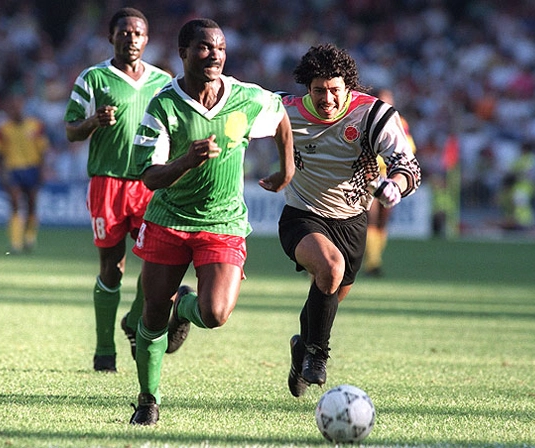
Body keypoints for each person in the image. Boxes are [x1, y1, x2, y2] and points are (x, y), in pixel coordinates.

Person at [127, 18, 294, 425]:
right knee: (151, 316)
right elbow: (147, 175)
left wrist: (286, 169)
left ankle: (183, 309)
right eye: (203, 47)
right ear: (183, 53)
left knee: (216, 314)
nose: (214, 55)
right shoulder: (163, 105)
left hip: (222, 222)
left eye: (219, 47)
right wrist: (187, 160)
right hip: (168, 219)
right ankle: (149, 400)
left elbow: (281, 117)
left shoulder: (245, 97)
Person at [278, 44, 421, 397]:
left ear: (348, 87)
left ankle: (302, 349)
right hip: (302, 214)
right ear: (306, 88)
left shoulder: (374, 115)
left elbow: (408, 165)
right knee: (329, 268)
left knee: (328, 293)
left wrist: (395, 186)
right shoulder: (283, 110)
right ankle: (317, 354)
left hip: (352, 221)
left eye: (334, 90)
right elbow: (235, 120)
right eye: (318, 90)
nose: (326, 98)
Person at [64, 7, 172, 373]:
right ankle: (104, 350)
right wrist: (93, 121)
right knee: (113, 267)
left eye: (137, 33)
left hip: (149, 182)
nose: (131, 38)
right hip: (107, 182)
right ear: (111, 37)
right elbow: (70, 129)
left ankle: (134, 318)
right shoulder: (93, 78)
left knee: (158, 261)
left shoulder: (163, 81)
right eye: (123, 32)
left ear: (147, 38)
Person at [363, 88, 417, 276]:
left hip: (390, 177)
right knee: (371, 218)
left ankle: (375, 257)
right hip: (368, 177)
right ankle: (372, 262)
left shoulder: (399, 122)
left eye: (388, 101)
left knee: (383, 222)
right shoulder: (364, 120)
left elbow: (408, 148)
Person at [0, 90, 49, 254]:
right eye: (12, 106)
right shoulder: (3, 129)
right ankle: (15, 244)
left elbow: (43, 149)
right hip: (12, 168)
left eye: (18, 105)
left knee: (31, 205)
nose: (16, 109)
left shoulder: (35, 125)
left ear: (23, 106)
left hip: (32, 168)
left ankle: (29, 238)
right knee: (15, 203)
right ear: (9, 109)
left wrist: (43, 169)